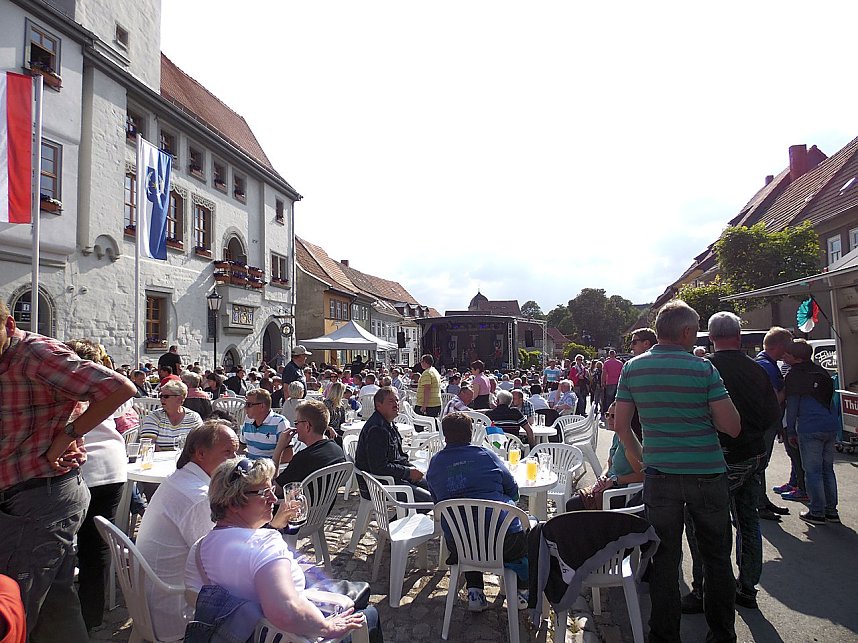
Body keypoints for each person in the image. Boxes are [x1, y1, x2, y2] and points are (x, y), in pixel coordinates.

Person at [0, 299, 135, 642]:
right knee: (55, 606)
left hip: (41, 494)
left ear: (10, 326)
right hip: (29, 491)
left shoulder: (35, 353)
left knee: (15, 607)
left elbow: (119, 388)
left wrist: (68, 435)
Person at [613, 300, 741, 643]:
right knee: (715, 557)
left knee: (664, 559)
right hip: (707, 473)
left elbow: (622, 425)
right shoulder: (703, 369)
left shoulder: (633, 369)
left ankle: (664, 634)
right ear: (686, 332)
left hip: (660, 474)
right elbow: (732, 426)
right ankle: (722, 633)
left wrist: (642, 461)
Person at [185, 457, 382, 642]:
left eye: (272, 490)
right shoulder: (265, 543)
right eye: (263, 493)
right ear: (233, 502)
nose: (274, 499)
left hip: (242, 634)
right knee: (369, 615)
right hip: (290, 636)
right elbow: (285, 611)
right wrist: (326, 627)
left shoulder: (199, 548)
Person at [682, 312, 780, 613]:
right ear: (739, 337)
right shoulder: (757, 369)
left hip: (715, 457)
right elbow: (771, 414)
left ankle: (703, 589)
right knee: (748, 520)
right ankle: (747, 588)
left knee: (702, 522)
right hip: (750, 456)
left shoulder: (703, 369)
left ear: (710, 338)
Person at [136, 420, 239, 640]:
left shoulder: (181, 479)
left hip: (150, 599)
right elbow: (219, 565)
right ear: (200, 454)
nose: (235, 461)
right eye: (228, 452)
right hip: (174, 609)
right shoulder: (198, 497)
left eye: (236, 452)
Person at [426, 412, 529, 612]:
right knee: (525, 537)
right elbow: (512, 489)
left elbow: (437, 501)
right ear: (471, 433)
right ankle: (521, 592)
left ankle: (475, 591)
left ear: (445, 436)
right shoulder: (486, 455)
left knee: (466, 529)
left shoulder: (436, 463)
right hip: (504, 542)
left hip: (459, 544)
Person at [65, 339, 132, 632]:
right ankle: (91, 615)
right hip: (112, 465)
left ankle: (71, 616)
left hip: (82, 466)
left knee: (69, 543)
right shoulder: (111, 384)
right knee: (96, 543)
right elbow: (122, 415)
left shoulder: (68, 387)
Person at [783, 339, 840, 525]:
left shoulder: (794, 375)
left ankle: (817, 512)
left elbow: (792, 405)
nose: (784, 357)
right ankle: (831, 511)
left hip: (809, 427)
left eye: (788, 354)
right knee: (827, 469)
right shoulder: (821, 372)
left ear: (796, 357)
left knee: (812, 471)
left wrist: (790, 430)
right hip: (829, 425)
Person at [355, 387, 432, 502]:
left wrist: (411, 469)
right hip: (377, 485)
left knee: (435, 489)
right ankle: (399, 520)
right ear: (378, 405)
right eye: (391, 401)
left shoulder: (389, 424)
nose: (396, 404)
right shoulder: (377, 429)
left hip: (393, 477)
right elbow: (378, 467)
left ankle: (407, 517)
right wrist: (408, 472)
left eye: (397, 401)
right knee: (428, 500)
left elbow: (398, 458)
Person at [565, 402, 643, 511]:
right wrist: (602, 476)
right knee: (575, 501)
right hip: (610, 485)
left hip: (621, 493)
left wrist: (614, 480)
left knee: (573, 505)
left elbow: (642, 476)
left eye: (614, 416)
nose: (609, 419)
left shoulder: (628, 444)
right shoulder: (617, 435)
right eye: (607, 415)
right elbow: (609, 461)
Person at [755, 327, 795, 520]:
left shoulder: (766, 363)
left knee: (761, 464)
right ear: (779, 347)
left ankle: (762, 501)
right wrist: (789, 385)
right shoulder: (766, 366)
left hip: (766, 423)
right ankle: (759, 504)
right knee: (760, 464)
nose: (789, 351)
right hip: (765, 424)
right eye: (788, 347)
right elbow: (773, 398)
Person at [276, 400, 347, 486]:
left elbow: (276, 489)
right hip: (327, 499)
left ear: (307, 426)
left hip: (303, 499)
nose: (295, 427)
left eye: (296, 423)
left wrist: (279, 448)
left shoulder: (303, 459)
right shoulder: (337, 450)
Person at [140, 379, 204, 450]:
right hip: (160, 459)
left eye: (166, 396)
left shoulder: (193, 418)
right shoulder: (154, 417)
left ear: (180, 399)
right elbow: (147, 444)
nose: (162, 399)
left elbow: (200, 444)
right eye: (161, 396)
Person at [241, 388, 291, 466]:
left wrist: (266, 467)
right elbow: (242, 445)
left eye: (249, 405)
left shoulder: (280, 423)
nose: (245, 408)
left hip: (269, 471)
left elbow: (288, 455)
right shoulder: (248, 420)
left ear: (262, 406)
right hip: (249, 468)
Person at [601, 349, 623, 416]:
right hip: (618, 382)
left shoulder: (606, 363)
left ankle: (609, 413)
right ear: (615, 354)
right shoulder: (620, 363)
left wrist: (602, 382)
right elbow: (622, 373)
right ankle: (617, 412)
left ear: (609, 355)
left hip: (610, 382)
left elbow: (604, 373)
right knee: (617, 398)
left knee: (609, 399)